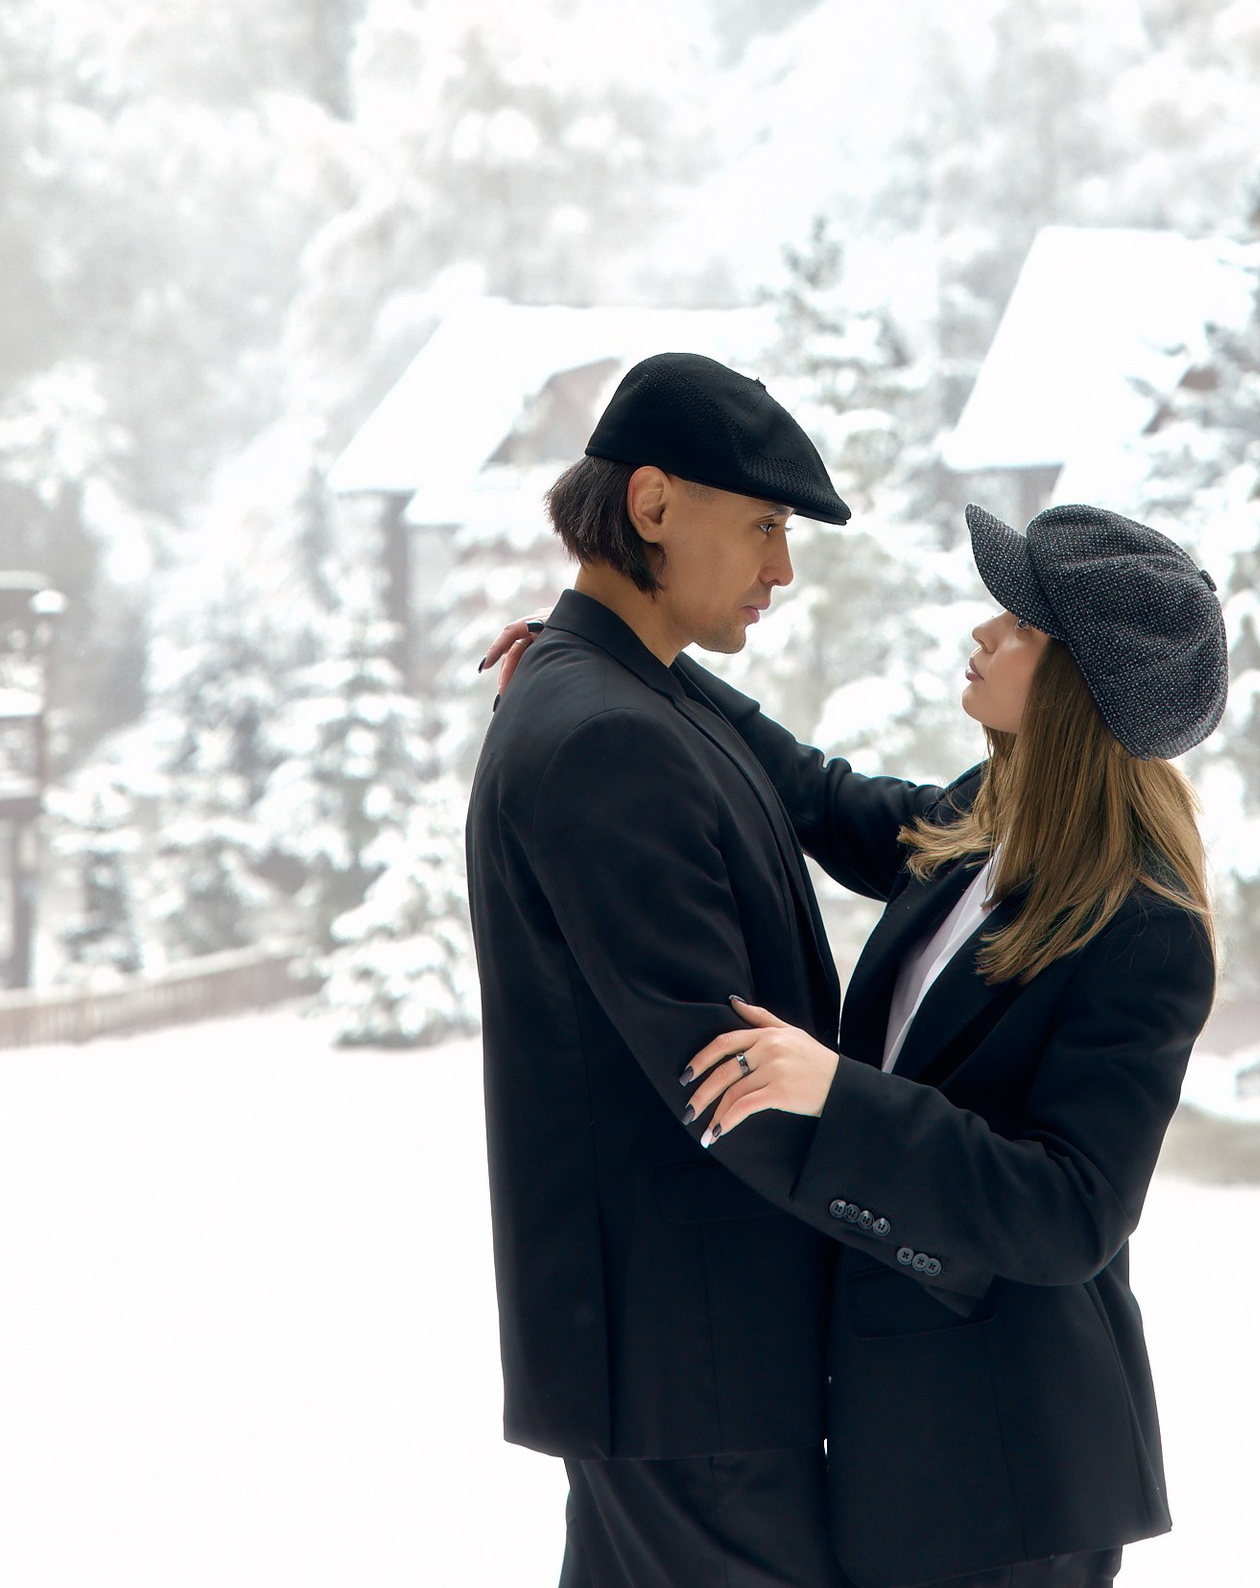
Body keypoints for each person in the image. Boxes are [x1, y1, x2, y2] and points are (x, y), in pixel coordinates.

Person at [466, 349, 947, 1588]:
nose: (782, 570)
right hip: (697, 1377)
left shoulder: (631, 692)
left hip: (690, 1373)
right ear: (654, 503)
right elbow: (727, 1083)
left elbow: (839, 804)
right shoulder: (605, 733)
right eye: (766, 527)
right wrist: (950, 1219)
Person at [681, 500, 1226, 1588]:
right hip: (912, 1446)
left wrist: (839, 1094)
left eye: (1019, 625)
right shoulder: (994, 813)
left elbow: (1071, 1210)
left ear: (1079, 686)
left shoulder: (1145, 925)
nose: (984, 631)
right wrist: (635, 656)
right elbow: (823, 798)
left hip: (1016, 1471)